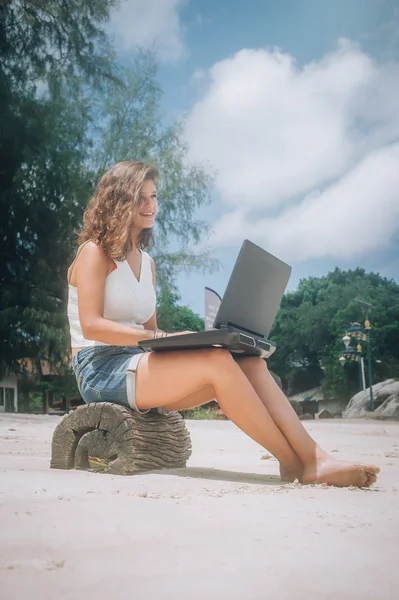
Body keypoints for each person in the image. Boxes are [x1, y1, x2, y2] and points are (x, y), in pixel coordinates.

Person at [67, 160, 380, 488]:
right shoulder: (94, 253)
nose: (150, 205)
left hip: (137, 366)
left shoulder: (148, 264)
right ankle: (291, 463)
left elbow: (149, 337)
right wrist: (163, 336)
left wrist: (187, 341)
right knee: (217, 361)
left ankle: (315, 458)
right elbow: (92, 326)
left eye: (154, 196)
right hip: (99, 368)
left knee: (249, 361)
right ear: (118, 200)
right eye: (139, 197)